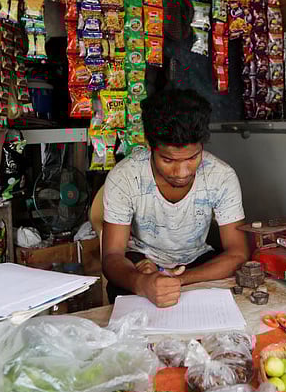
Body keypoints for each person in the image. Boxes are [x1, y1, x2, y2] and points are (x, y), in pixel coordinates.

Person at [101, 88, 249, 307]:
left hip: (195, 263)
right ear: (151, 147)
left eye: (192, 157)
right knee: (123, 289)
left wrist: (175, 280)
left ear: (202, 146)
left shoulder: (221, 176)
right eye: (168, 160)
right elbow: (112, 256)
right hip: (140, 260)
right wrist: (142, 282)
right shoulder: (125, 176)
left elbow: (238, 253)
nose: (182, 172)